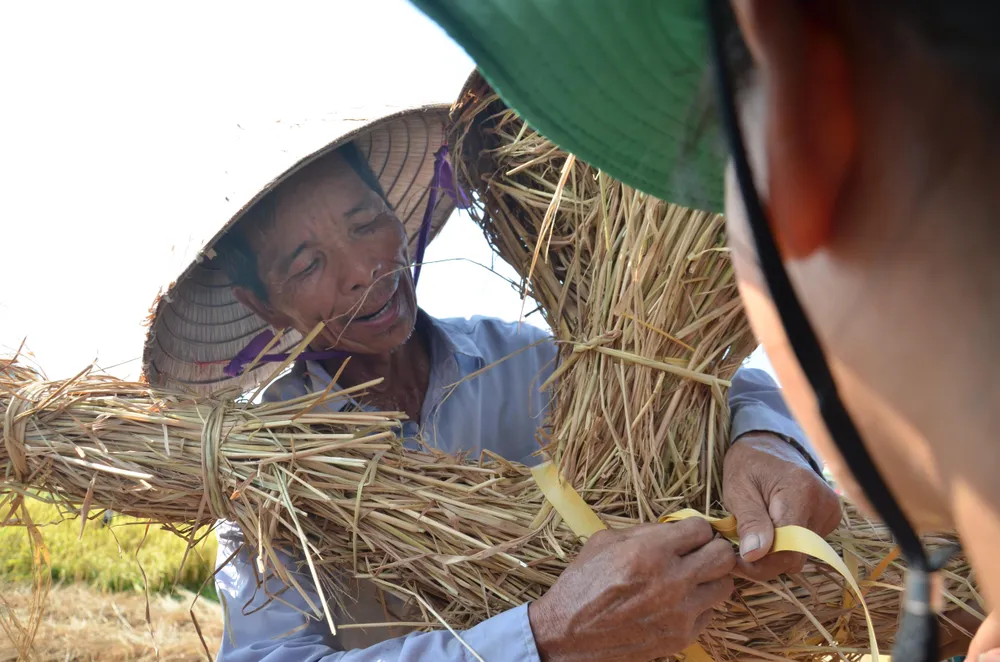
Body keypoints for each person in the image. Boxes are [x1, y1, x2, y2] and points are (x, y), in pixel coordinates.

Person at [142, 100, 838, 661]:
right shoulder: (261, 478)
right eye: (306, 264)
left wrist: (765, 441)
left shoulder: (523, 362)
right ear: (266, 307)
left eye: (365, 222)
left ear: (397, 214)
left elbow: (697, 381)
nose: (361, 269)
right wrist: (543, 637)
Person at [408, 0, 1000, 660]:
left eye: (717, 186)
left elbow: (741, 386)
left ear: (800, 117)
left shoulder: (512, 356)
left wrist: (764, 433)